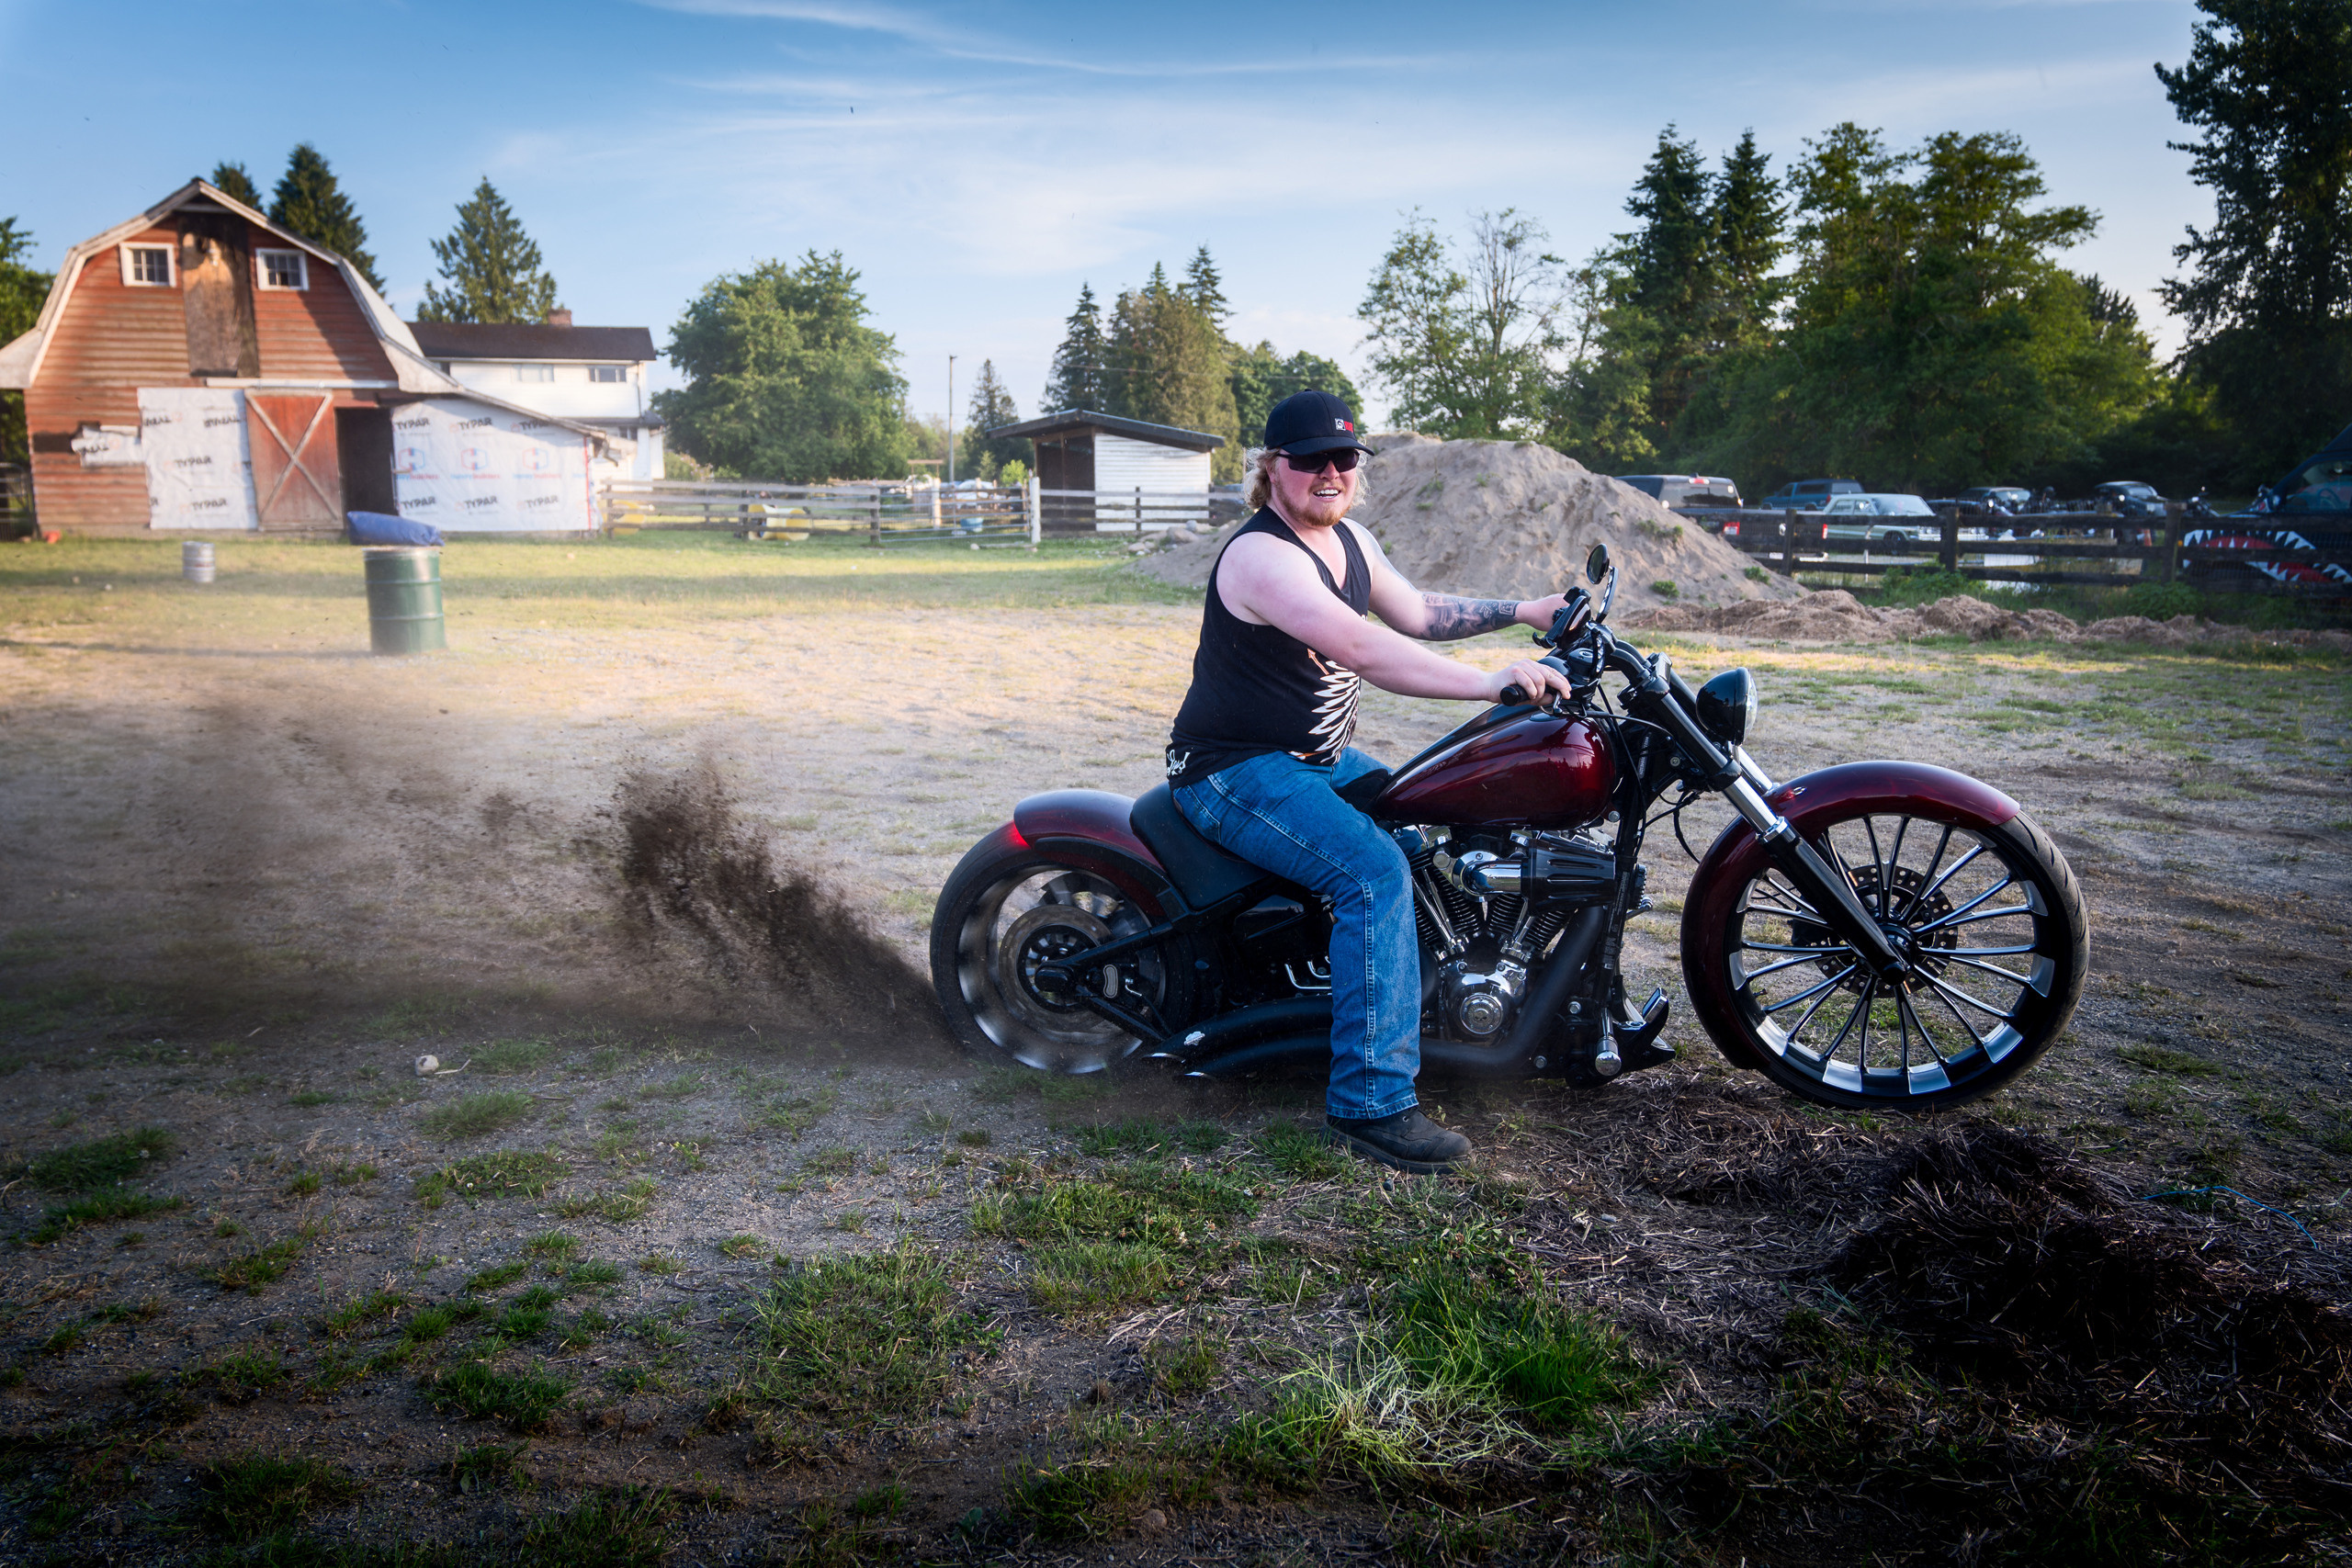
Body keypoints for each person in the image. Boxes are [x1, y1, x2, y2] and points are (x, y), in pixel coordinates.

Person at [1164, 390, 1575, 1174]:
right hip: (1232, 770)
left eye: (1344, 458)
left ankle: (1423, 1012)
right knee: (1373, 872)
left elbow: (1417, 612)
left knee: (1425, 824)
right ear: (1271, 468)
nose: (1330, 472)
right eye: (1309, 459)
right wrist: (1488, 681)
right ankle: (1371, 1102)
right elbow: (1365, 648)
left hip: (1314, 761)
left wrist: (1531, 609)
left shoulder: (1350, 539)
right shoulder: (1262, 556)